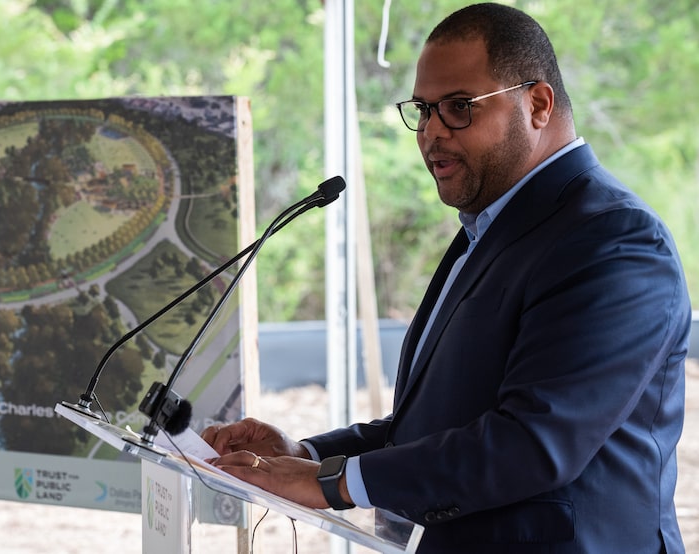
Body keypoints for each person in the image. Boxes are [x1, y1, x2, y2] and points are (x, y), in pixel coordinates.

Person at [201, 3, 692, 552]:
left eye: (460, 107)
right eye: (423, 109)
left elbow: (532, 443)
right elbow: (436, 426)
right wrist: (307, 454)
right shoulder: (490, 229)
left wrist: (332, 484)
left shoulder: (614, 242)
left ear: (537, 104)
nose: (432, 132)